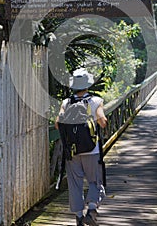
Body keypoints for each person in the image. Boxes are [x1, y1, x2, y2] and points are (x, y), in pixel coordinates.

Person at [55, 68, 107, 226]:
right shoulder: (96, 101)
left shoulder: (66, 102)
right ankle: (91, 210)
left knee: (75, 183)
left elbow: (58, 124)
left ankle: (78, 216)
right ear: (87, 85)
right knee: (94, 180)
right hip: (92, 149)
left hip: (72, 151)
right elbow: (102, 122)